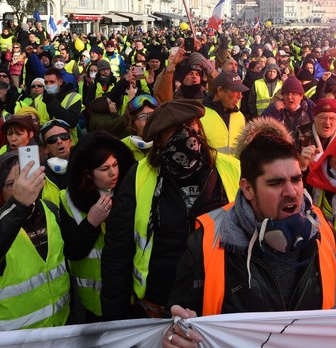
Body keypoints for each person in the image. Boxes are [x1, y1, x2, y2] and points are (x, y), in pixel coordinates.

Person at [163, 116, 336, 346]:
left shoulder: (324, 233)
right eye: (275, 183)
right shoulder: (205, 243)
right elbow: (178, 324)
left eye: (296, 179)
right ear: (247, 189)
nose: (292, 192)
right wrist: (174, 336)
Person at [101, 99, 240, 320]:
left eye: (191, 125)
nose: (187, 135)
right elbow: (118, 248)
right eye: (174, 130)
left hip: (222, 298)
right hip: (160, 301)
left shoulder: (231, 168)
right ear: (159, 140)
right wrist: (116, 318)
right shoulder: (138, 176)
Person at [0, 152, 70, 331]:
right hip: (10, 336)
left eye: (26, 180)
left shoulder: (50, 209)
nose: (22, 188)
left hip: (60, 328)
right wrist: (18, 205)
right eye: (11, 185)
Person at [61, 131, 135, 321]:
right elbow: (72, 250)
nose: (113, 173)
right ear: (87, 173)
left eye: (115, 165)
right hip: (92, 301)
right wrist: (91, 223)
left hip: (130, 295)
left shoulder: (132, 192)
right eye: (104, 168)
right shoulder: (67, 199)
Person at [201, 71, 248, 156]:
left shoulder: (240, 117)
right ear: (220, 90)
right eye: (236, 91)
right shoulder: (201, 116)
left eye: (241, 92)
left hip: (236, 169)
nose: (240, 96)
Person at [261, 77, 316, 144]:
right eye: (286, 94)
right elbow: (259, 126)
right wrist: (272, 110)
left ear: (301, 96)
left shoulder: (309, 110)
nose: (289, 97)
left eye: (294, 94)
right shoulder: (276, 111)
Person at [121, 93, 158, 161]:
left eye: (153, 115)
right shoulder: (121, 147)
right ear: (132, 125)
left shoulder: (167, 144)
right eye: (143, 116)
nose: (150, 120)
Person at [39, 119, 74, 190]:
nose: (59, 141)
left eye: (64, 137)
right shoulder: (40, 175)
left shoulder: (86, 165)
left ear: (70, 142)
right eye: (52, 139)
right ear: (46, 148)